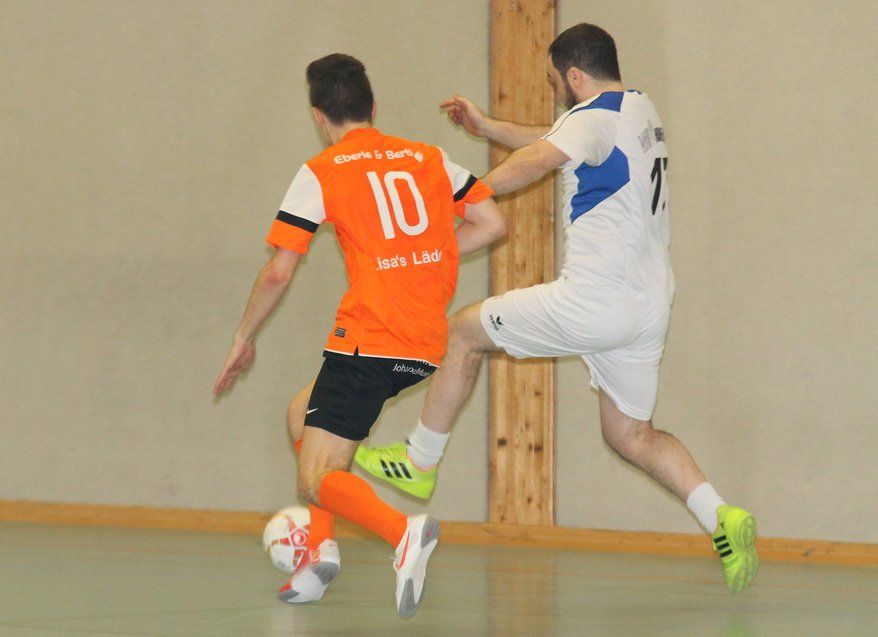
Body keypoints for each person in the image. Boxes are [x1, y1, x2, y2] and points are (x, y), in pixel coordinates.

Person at [354, 23, 759, 593]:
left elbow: (539, 158)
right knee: (630, 433)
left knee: (463, 331)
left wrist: (461, 199)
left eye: (554, 83)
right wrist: (488, 127)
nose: (555, 93)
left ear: (574, 76)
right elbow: (558, 135)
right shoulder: (637, 108)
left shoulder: (590, 119)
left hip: (597, 298)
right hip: (649, 304)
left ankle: (419, 460)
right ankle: (722, 517)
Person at [213, 53, 505, 617]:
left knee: (316, 479)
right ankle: (320, 557)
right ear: (373, 106)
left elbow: (277, 272)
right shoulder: (428, 157)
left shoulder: (323, 170)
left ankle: (402, 533)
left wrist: (243, 336)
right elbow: (493, 223)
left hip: (369, 338)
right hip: (423, 342)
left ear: (319, 116)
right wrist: (422, 260)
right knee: (301, 414)